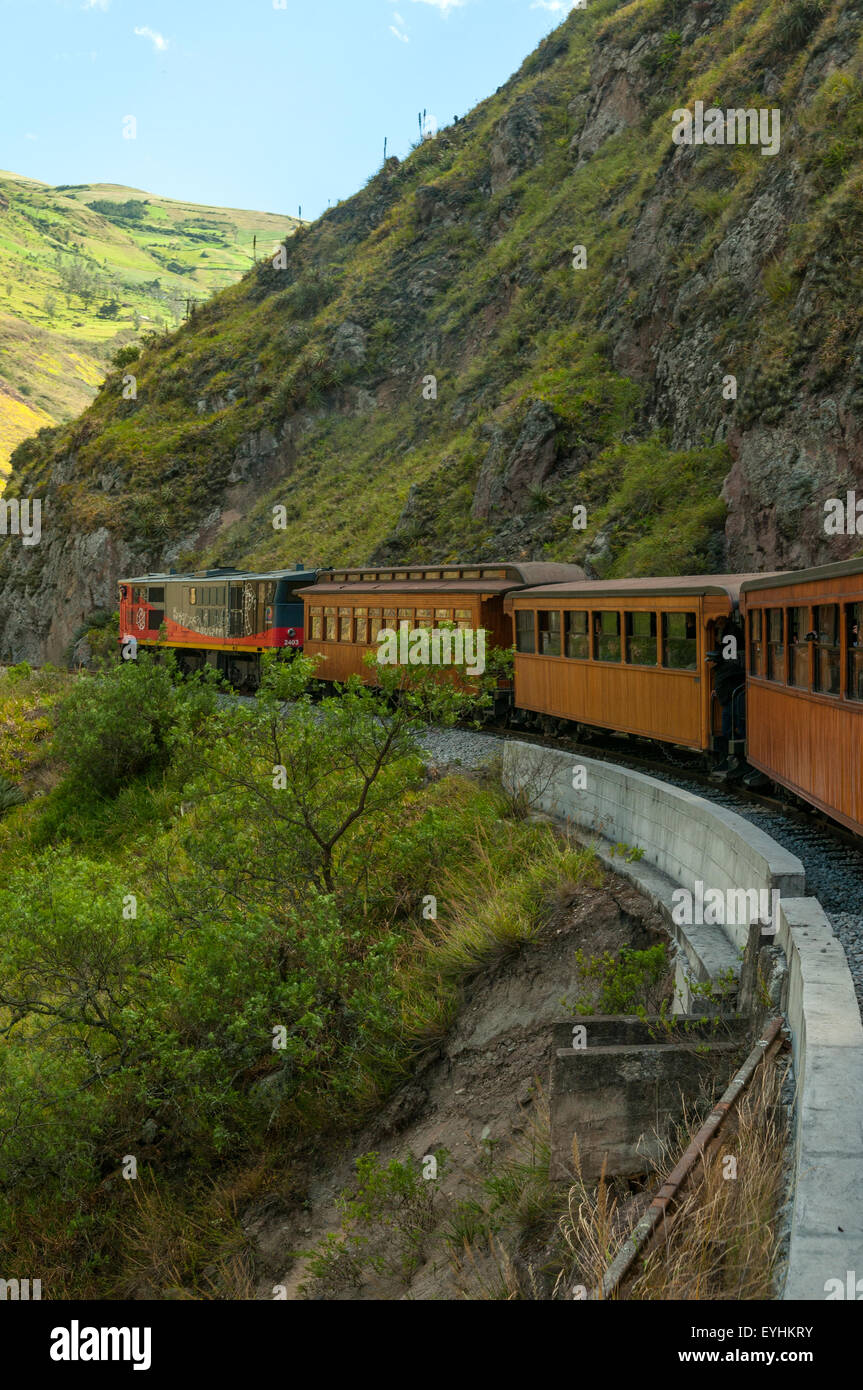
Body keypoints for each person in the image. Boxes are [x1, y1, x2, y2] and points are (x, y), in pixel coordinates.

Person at [709, 618, 746, 777]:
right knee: (730, 725)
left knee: (731, 725)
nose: (716, 625)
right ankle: (732, 755)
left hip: (731, 695)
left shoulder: (729, 636)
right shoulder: (733, 633)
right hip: (729, 693)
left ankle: (737, 755)